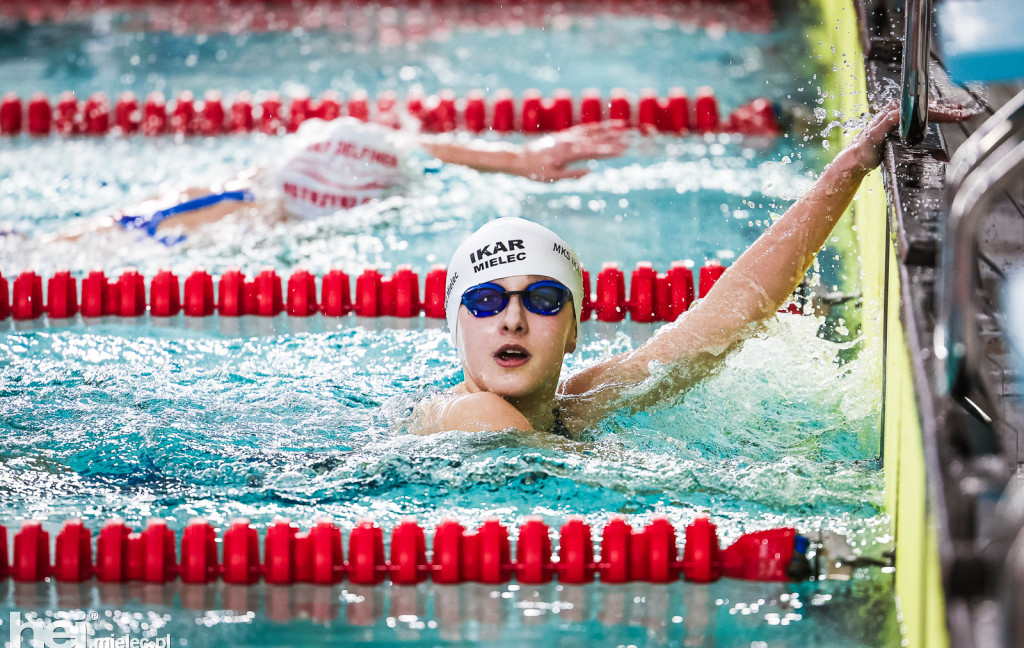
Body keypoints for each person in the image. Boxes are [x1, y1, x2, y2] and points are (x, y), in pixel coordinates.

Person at [413, 100, 976, 438]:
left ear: (574, 333)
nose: (512, 319)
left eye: (541, 300)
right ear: (454, 327)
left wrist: (849, 166)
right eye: (486, 302)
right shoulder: (475, 415)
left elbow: (729, 316)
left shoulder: (579, 405)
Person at [48, 116, 630, 244]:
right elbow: (409, 147)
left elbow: (403, 145)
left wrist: (513, 159)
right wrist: (512, 160)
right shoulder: (230, 232)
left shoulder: (248, 192)